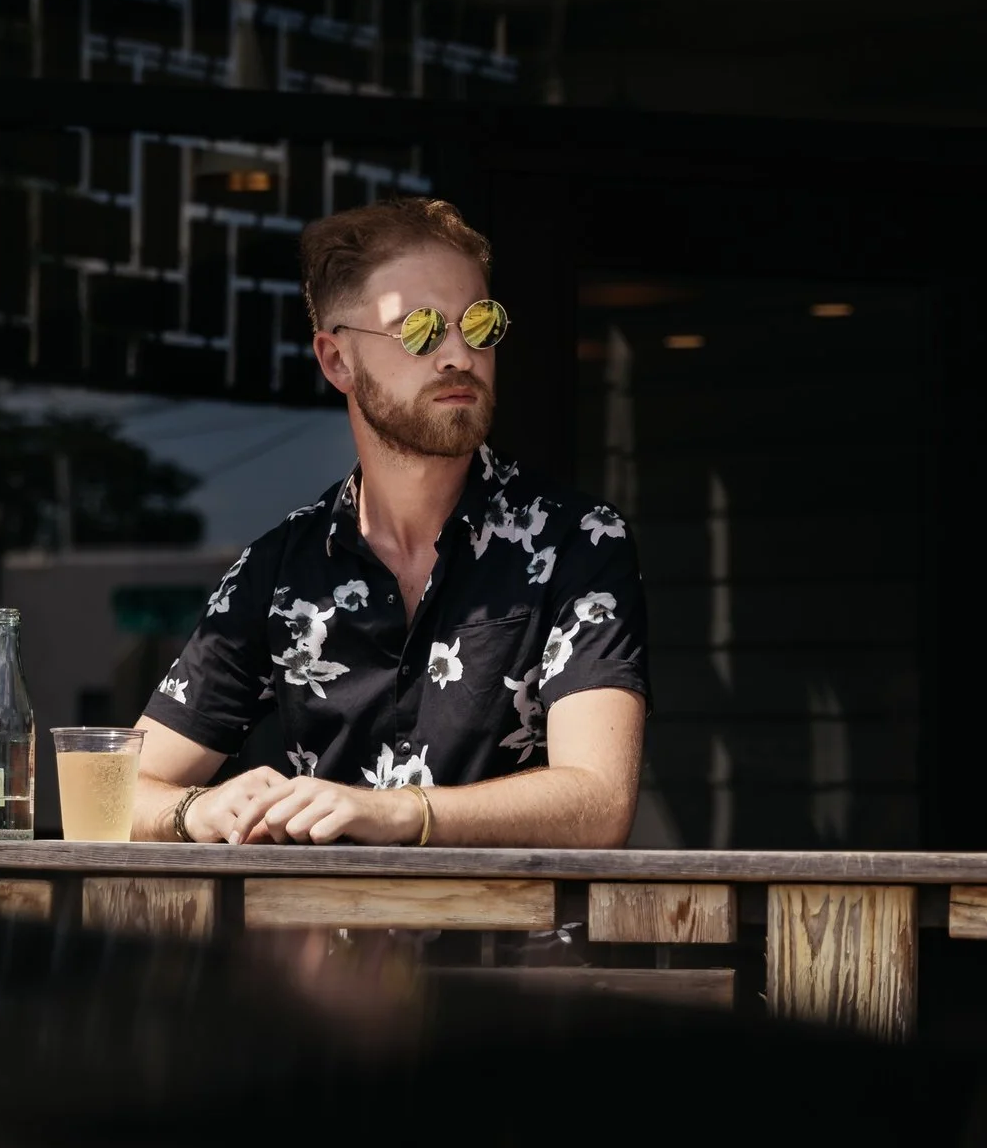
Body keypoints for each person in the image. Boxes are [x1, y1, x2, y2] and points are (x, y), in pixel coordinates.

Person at [132, 196, 648, 847]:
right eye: (421, 330)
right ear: (336, 360)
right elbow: (123, 793)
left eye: (479, 324)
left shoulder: (578, 542)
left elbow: (599, 802)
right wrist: (195, 812)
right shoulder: (280, 571)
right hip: (324, 948)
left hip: (514, 946)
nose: (458, 354)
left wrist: (404, 812)